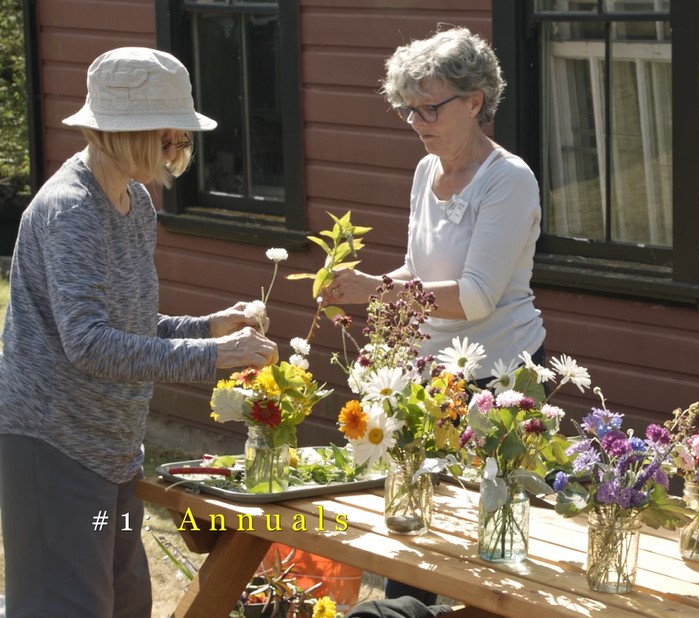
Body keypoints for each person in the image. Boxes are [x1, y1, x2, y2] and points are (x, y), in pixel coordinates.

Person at [0, 47, 279, 618]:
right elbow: (89, 343)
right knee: (67, 608)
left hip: (114, 451)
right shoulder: (72, 210)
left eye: (183, 141)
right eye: (169, 140)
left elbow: (132, 328)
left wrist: (208, 326)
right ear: (125, 134)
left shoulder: (136, 205)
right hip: (54, 446)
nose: (179, 154)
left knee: (127, 605)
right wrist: (210, 355)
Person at [322, 27, 547, 605]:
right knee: (417, 538)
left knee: (489, 554)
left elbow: (473, 297)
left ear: (475, 101)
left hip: (499, 382)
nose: (418, 122)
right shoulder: (427, 171)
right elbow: (417, 270)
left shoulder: (509, 180)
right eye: (408, 110)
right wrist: (359, 287)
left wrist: (376, 293)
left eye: (430, 107)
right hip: (433, 380)